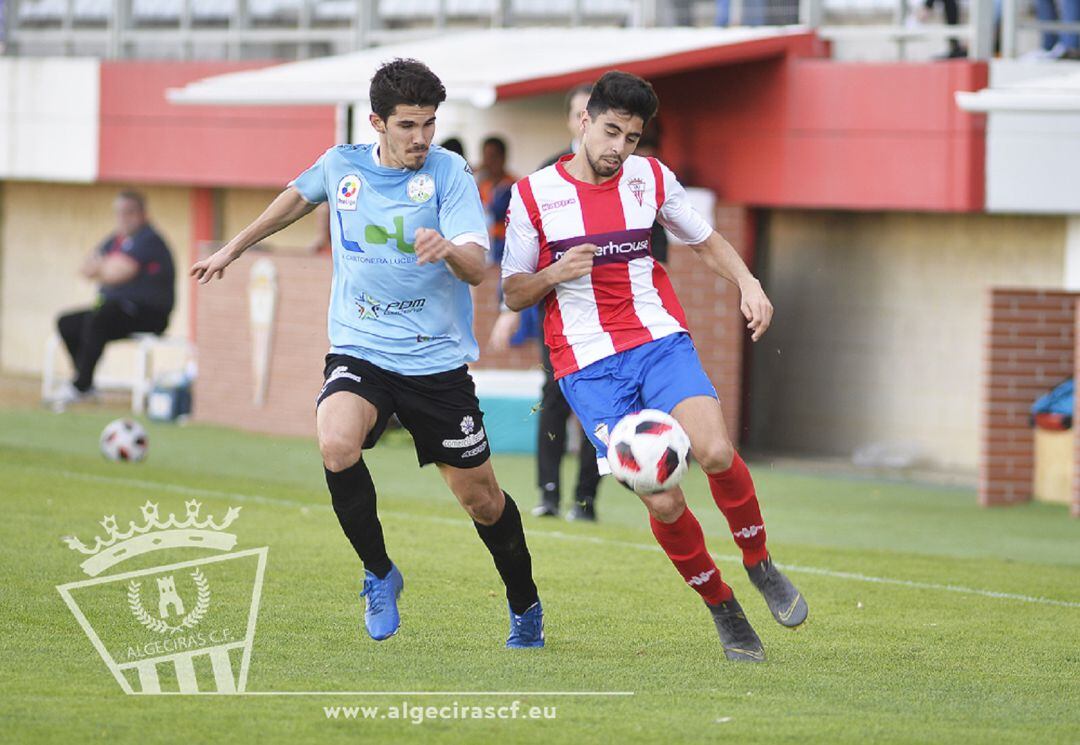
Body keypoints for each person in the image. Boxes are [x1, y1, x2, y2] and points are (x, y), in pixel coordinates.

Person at [191, 58, 544, 649]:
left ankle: (524, 605)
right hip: (362, 347)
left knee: (481, 500)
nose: (421, 138)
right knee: (334, 441)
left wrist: (446, 250)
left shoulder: (450, 174)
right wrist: (232, 249)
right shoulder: (342, 166)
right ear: (377, 123)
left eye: (429, 124)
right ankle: (379, 572)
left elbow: (479, 268)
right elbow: (293, 200)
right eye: (408, 125)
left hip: (435, 363)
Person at [500, 70, 807, 662]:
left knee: (716, 451)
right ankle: (724, 607)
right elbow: (513, 294)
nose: (620, 149)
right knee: (662, 498)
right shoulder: (533, 195)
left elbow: (705, 239)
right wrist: (553, 274)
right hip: (588, 369)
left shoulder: (650, 178)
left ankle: (760, 562)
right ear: (583, 121)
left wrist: (748, 282)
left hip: (659, 341)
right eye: (611, 131)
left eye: (633, 138)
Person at [489, 83, 602, 522]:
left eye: (592, 113)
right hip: (559, 314)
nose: (584, 122)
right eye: (579, 113)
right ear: (572, 119)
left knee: (599, 404)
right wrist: (505, 311)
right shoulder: (548, 172)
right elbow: (520, 253)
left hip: (612, 317)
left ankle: (587, 500)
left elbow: (656, 249)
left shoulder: (628, 173)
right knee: (554, 398)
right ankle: (549, 494)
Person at [52, 191, 174, 410]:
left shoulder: (149, 239)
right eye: (119, 212)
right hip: (116, 311)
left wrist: (105, 266)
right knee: (67, 322)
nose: (123, 218)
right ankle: (85, 381)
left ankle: (80, 385)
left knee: (103, 315)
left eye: (129, 212)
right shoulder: (115, 240)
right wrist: (108, 265)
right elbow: (86, 268)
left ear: (142, 214)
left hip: (148, 314)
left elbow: (120, 273)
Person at [475, 136, 516, 264]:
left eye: (493, 156)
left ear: (503, 157)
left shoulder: (512, 186)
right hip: (483, 245)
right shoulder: (482, 184)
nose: (488, 162)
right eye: (485, 156)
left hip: (504, 246)